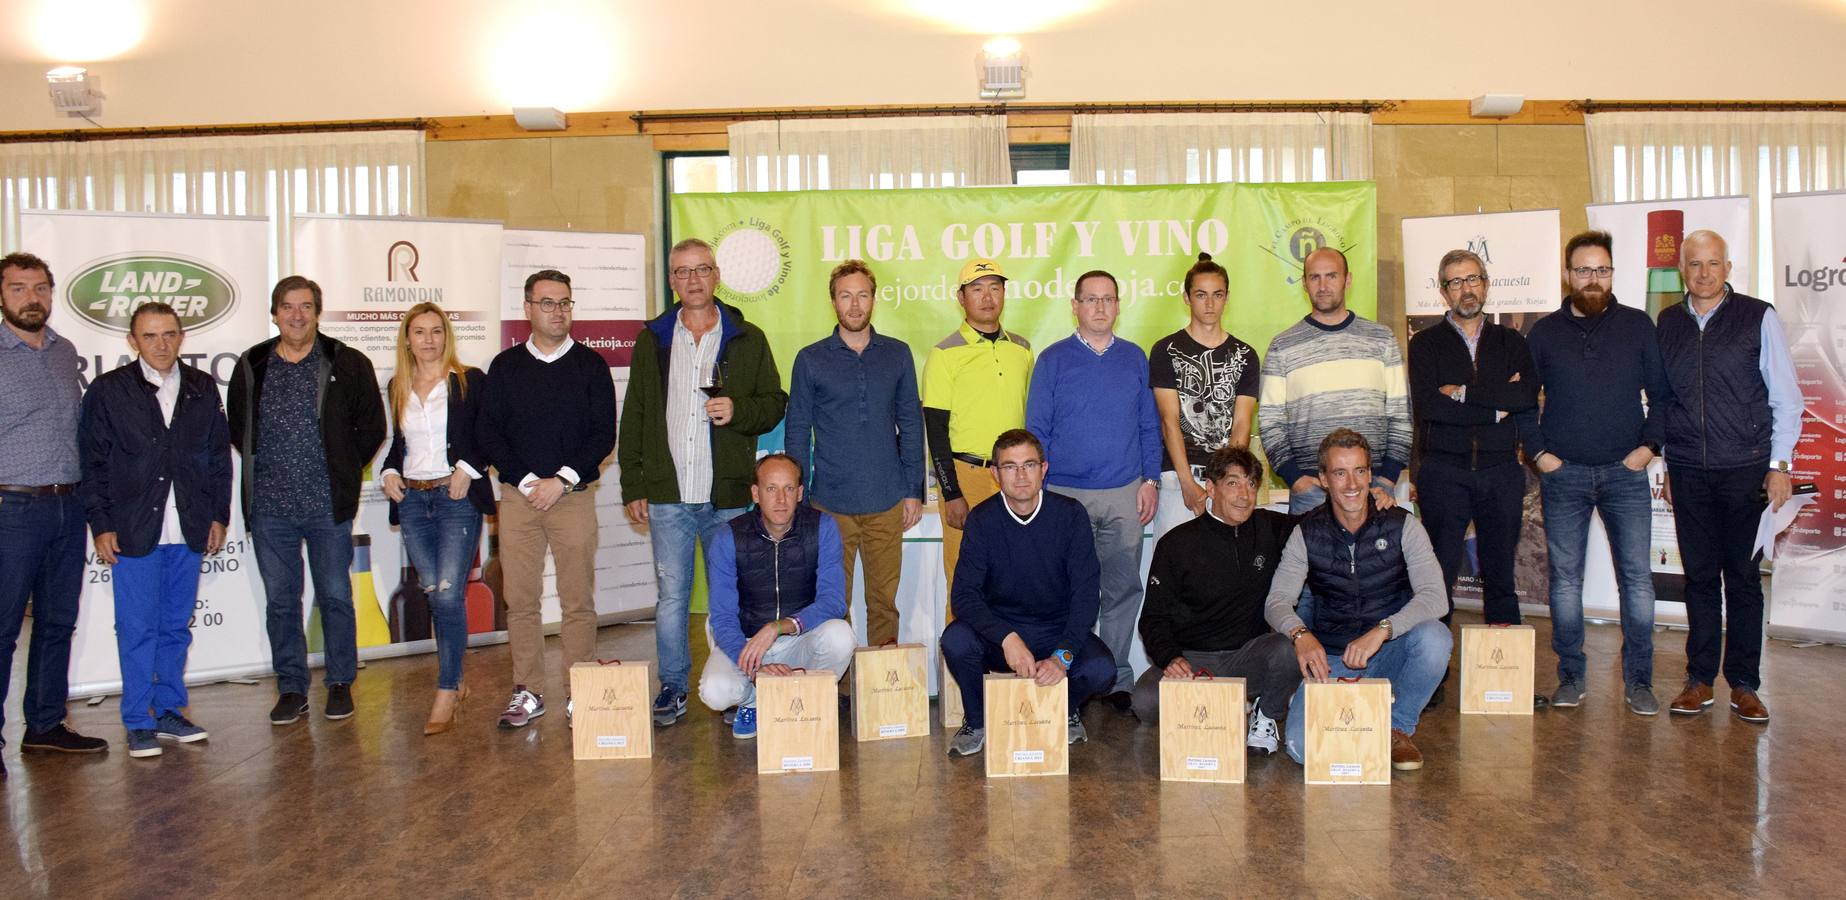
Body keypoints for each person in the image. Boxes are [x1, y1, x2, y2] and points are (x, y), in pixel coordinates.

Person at [619, 239, 786, 727]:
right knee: (671, 599)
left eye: (702, 270)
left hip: (728, 496)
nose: (692, 280)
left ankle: (735, 683)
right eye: (682, 272)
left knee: (731, 598)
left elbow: (775, 403)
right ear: (672, 281)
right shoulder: (652, 338)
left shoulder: (747, 337)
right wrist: (634, 484)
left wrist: (738, 410)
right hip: (669, 496)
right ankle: (672, 686)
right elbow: (636, 415)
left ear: (717, 276)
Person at [1515, 231, 1670, 716]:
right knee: (1564, 583)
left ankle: (1639, 681)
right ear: (1567, 274)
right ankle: (1570, 676)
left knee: (1637, 582)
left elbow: (1663, 396)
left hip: (1626, 473)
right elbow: (1522, 401)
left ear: (1612, 274)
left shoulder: (1638, 325)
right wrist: (1539, 454)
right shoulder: (1543, 333)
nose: (1593, 279)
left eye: (1601, 270)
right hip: (1565, 476)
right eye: (1583, 270)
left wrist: (1648, 448)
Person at [1657, 230, 1803, 723]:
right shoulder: (1668, 322)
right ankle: (1698, 681)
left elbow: (1786, 397)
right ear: (1683, 269)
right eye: (1694, 264)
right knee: (1698, 578)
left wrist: (1779, 466)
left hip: (1745, 471)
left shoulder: (1757, 317)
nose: (1703, 273)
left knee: (1741, 578)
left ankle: (1744, 684)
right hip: (1688, 472)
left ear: (1728, 268)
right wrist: (1670, 464)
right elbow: (1666, 400)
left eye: (1713, 263)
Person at [228, 276, 386, 726]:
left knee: (335, 595)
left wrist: (340, 467)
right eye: (287, 306)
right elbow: (239, 428)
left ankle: (340, 682)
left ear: (318, 311)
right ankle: (291, 688)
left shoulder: (347, 362)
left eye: (306, 306)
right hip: (270, 507)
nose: (296, 315)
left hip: (326, 506)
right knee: (281, 601)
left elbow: (371, 427)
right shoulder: (252, 364)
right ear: (274, 312)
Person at [79, 302, 231, 758]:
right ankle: (137, 719)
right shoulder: (108, 392)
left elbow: (220, 460)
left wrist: (218, 515)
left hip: (187, 527)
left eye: (169, 334)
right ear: (133, 341)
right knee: (137, 628)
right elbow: (93, 463)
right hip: (132, 529)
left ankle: (168, 711)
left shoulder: (203, 387)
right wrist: (101, 523)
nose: (161, 344)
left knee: (173, 628)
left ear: (181, 337)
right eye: (150, 336)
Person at [478, 271, 617, 729]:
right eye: (548, 303)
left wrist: (561, 479)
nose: (558, 311)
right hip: (519, 500)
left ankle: (583, 691)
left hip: (572, 496)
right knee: (521, 600)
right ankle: (528, 691)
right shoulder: (505, 367)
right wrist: (525, 481)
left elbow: (603, 434)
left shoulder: (591, 365)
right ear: (528, 309)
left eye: (565, 303)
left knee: (578, 600)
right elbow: (491, 434)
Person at [1266, 429, 1451, 771]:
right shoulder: (1306, 533)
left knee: (1436, 638)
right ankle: (1360, 720)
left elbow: (1436, 598)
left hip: (1390, 651)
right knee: (1302, 751)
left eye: (1360, 471)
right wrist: (1300, 635)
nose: (1352, 483)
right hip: (1333, 660)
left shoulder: (1402, 525)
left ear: (1370, 474)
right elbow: (1276, 601)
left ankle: (1396, 726)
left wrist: (1383, 630)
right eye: (1340, 473)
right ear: (1323, 479)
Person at [1027, 269, 1160, 709]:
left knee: (1122, 588)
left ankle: (1117, 678)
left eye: (1108, 299)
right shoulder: (1052, 360)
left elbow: (1147, 424)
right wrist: (1040, 491)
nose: (1100, 308)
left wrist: (1151, 480)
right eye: (1091, 299)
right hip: (1066, 495)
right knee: (1067, 591)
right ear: (1075, 306)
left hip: (1125, 492)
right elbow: (1037, 430)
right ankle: (1072, 673)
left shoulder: (1134, 358)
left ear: (1119, 306)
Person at [1260, 246, 1410, 633]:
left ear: (1347, 280)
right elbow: (1271, 421)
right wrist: (1294, 476)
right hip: (1310, 490)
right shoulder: (1282, 346)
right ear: (1305, 284)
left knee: (1380, 583)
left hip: (1372, 488)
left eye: (1331, 276)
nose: (1323, 285)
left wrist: (1386, 478)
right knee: (1307, 590)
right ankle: (1306, 684)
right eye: (1314, 277)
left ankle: (1373, 680)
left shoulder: (1381, 340)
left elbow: (1400, 413)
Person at [939, 429, 1114, 757]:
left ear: (1043, 469)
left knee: (1102, 669)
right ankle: (977, 721)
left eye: (1029, 464)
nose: (1020, 475)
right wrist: (1007, 638)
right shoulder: (982, 520)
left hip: (1055, 632)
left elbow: (1086, 595)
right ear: (995, 473)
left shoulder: (1071, 515)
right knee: (956, 640)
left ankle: (1064, 707)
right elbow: (963, 596)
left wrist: (1062, 656)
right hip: (1001, 637)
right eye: (1009, 466)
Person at [0, 251, 109, 763]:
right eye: (19, 288)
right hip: (11, 509)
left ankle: (44, 725)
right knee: (2, 630)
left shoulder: (64, 351)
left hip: (69, 507)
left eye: (40, 287)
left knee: (57, 621)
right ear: (2, 295)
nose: (31, 298)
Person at [783, 259, 924, 648]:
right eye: (846, 296)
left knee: (883, 603)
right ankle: (842, 692)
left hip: (887, 499)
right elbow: (798, 430)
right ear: (833, 302)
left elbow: (911, 424)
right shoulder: (810, 359)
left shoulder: (897, 354)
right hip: (828, 505)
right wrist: (799, 497)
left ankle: (882, 692)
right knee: (832, 606)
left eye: (863, 295)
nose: (855, 304)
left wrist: (913, 489)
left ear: (874, 300)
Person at [1133, 446, 1301, 755]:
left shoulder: (1271, 528)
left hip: (1246, 658)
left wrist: (1373, 498)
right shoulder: (1176, 543)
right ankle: (1229, 704)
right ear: (1211, 487)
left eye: (1251, 483)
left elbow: (1324, 521)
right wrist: (1171, 658)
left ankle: (1264, 716)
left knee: (1287, 648)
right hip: (1192, 659)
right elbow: (1153, 618)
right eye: (1233, 483)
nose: (1244, 494)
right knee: (1144, 702)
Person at [380, 302, 495, 735]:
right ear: (407, 339)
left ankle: (446, 687)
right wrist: (389, 473)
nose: (428, 340)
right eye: (419, 332)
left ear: (447, 336)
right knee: (433, 593)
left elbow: (488, 434)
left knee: (448, 595)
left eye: (436, 331)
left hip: (455, 498)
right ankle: (456, 678)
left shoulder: (469, 382)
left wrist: (468, 468)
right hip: (413, 500)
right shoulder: (398, 384)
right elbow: (398, 445)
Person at [1408, 249, 1539, 626]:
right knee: (1438, 579)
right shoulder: (1424, 344)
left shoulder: (1512, 341)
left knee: (1500, 578)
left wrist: (1464, 393)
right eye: (1456, 282)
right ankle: (1432, 675)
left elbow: (1525, 396)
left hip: (1500, 472)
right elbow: (1431, 406)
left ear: (1486, 284)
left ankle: (1507, 679)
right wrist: (1497, 406)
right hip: (1443, 473)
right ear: (1443, 290)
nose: (1466, 289)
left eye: (1473, 279)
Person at [699, 454, 855, 739]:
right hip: (746, 643)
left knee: (841, 635)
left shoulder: (823, 527)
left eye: (788, 489)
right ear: (756, 494)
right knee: (714, 692)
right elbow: (722, 617)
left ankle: (806, 697)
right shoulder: (728, 536)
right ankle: (753, 702)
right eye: (771, 489)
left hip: (798, 638)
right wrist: (758, 667)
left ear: (800, 492)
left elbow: (834, 601)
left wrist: (778, 627)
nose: (781, 499)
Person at [922, 258, 1033, 597]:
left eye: (995, 288)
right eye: (977, 289)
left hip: (1013, 476)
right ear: (961, 297)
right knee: (964, 577)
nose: (987, 297)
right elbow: (935, 429)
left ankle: (1008, 650)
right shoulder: (944, 353)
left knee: (1014, 572)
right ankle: (960, 651)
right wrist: (952, 492)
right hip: (964, 474)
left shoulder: (1023, 349)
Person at [1149, 253, 1260, 540]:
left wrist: (1229, 481)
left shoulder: (1245, 355)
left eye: (1217, 295)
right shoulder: (1165, 350)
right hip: (1178, 480)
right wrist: (1187, 483)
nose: (1209, 304)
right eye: (1201, 294)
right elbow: (1169, 421)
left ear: (1227, 297)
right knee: (1173, 566)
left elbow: (1242, 424)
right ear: (1186, 297)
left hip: (1225, 482)